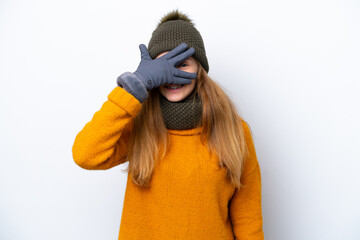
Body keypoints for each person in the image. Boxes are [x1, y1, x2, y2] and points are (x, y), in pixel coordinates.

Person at [72, 10, 264, 240]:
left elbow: (248, 220)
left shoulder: (234, 132)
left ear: (200, 70)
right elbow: (85, 154)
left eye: (182, 64)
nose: (172, 76)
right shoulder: (139, 124)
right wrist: (135, 86)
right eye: (163, 66)